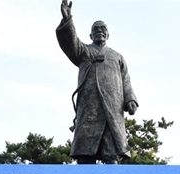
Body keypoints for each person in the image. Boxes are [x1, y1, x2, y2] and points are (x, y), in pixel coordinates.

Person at [56, 0, 138, 164]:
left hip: (113, 107)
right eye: (95, 30)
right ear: (90, 36)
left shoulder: (117, 56)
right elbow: (70, 43)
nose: (99, 31)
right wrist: (67, 20)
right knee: (86, 153)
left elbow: (125, 79)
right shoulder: (84, 51)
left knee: (112, 151)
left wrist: (130, 99)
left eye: (103, 29)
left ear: (108, 35)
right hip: (89, 105)